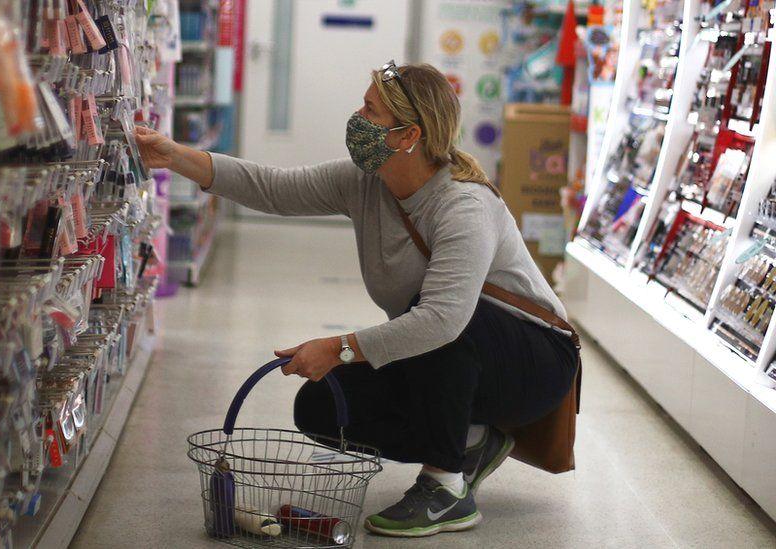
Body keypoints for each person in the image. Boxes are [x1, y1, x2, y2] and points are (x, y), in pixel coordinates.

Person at [134, 61, 579, 538]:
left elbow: (443, 322)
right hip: (454, 353)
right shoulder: (368, 182)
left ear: (408, 135)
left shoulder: (462, 207)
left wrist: (339, 347)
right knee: (322, 406)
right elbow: (274, 187)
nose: (357, 116)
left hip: (534, 361)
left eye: (371, 110)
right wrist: (175, 155)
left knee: (438, 320)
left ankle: (446, 487)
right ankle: (471, 439)